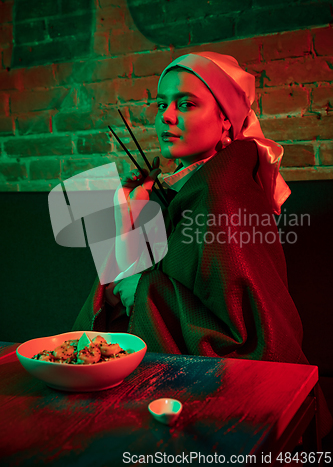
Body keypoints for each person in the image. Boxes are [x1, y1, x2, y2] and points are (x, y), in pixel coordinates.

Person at [73, 52, 332, 437]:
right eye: (162, 104)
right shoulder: (211, 182)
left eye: (186, 104)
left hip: (250, 409)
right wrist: (130, 214)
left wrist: (143, 290)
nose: (166, 116)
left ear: (226, 118)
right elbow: (185, 290)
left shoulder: (221, 192)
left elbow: (244, 341)